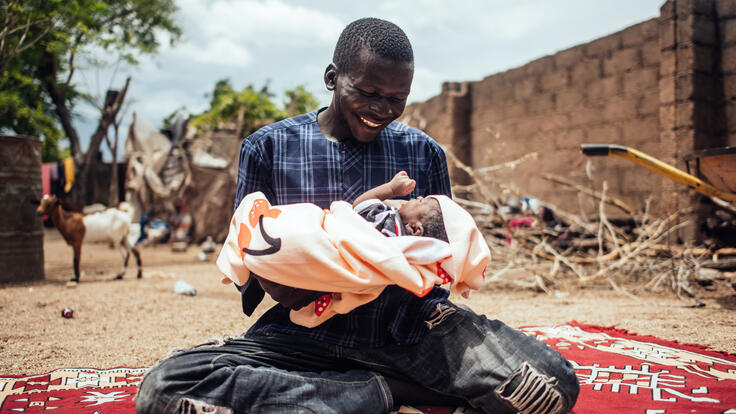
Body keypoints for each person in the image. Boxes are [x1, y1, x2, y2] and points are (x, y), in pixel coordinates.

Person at [136, 17, 579, 414]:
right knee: (165, 389)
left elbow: (445, 257)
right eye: (367, 93)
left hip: (411, 329)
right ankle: (387, 391)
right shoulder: (268, 148)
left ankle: (338, 395)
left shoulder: (422, 152)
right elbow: (248, 255)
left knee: (550, 384)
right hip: (304, 334)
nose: (381, 110)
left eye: (396, 99)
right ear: (332, 77)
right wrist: (279, 277)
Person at [215, 170, 489, 328]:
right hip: (330, 241)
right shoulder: (412, 257)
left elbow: (357, 205)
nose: (415, 197)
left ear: (416, 230)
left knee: (290, 235)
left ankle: (261, 251)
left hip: (329, 251)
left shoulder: (387, 219)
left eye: (420, 201)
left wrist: (389, 189)